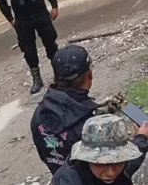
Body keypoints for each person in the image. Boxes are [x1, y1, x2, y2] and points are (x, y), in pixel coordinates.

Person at [31, 45, 99, 174]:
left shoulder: (39, 114)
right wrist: (141, 139)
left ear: (55, 78)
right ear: (90, 74)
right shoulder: (92, 124)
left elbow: (43, 154)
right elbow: (112, 170)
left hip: (63, 184)